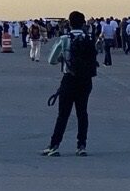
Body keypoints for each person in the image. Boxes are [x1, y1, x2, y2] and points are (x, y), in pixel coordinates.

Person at [41, 11, 97, 157]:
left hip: (69, 79)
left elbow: (51, 60)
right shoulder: (88, 38)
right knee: (82, 113)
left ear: (69, 23)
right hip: (85, 80)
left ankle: (54, 145)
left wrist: (62, 58)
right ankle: (81, 145)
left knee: (63, 114)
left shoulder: (65, 38)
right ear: (83, 23)